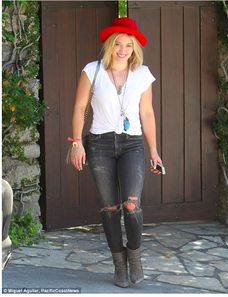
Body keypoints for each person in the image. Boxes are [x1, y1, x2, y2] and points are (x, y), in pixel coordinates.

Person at [69, 17, 163, 288]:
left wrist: (154, 151)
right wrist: (76, 142)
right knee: (109, 208)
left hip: (132, 144)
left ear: (135, 48)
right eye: (118, 44)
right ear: (110, 45)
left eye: (129, 45)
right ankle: (119, 264)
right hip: (99, 145)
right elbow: (79, 109)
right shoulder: (92, 70)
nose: (123, 50)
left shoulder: (143, 74)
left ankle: (134, 254)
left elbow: (147, 113)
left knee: (131, 206)